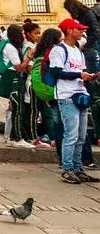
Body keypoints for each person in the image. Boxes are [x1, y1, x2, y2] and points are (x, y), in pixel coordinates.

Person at [50, 17, 99, 183]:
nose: (82, 32)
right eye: (79, 29)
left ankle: (78, 168)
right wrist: (79, 74)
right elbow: (56, 73)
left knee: (81, 136)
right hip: (67, 96)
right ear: (69, 31)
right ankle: (67, 169)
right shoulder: (58, 50)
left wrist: (90, 76)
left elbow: (81, 71)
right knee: (71, 135)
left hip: (80, 94)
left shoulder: (77, 50)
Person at [0, 24, 29, 146]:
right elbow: (18, 67)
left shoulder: (11, 46)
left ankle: (10, 137)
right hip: (13, 78)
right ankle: (16, 139)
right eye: (22, 33)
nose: (24, 35)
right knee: (17, 109)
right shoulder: (10, 47)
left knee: (14, 107)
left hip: (12, 77)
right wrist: (29, 57)